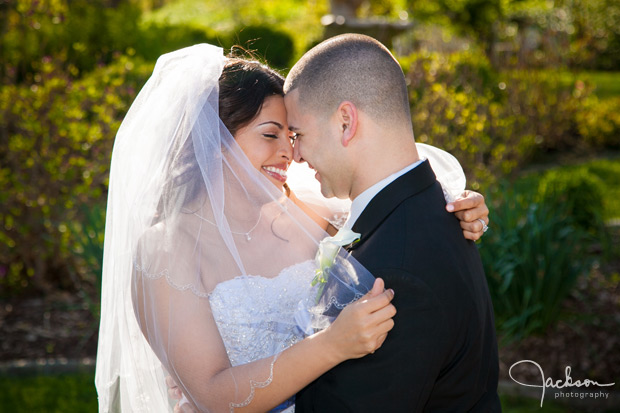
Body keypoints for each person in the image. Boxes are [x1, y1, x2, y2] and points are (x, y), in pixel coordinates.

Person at [95, 43, 490, 413]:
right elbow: (213, 395)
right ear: (212, 141)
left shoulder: (309, 210)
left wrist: (460, 205)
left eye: (294, 134)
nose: (291, 152)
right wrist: (331, 346)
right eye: (271, 134)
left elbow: (395, 188)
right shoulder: (165, 250)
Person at [284, 34, 501, 412]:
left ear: (346, 121)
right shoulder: (435, 205)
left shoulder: (393, 274)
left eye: (298, 134)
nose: (295, 155)